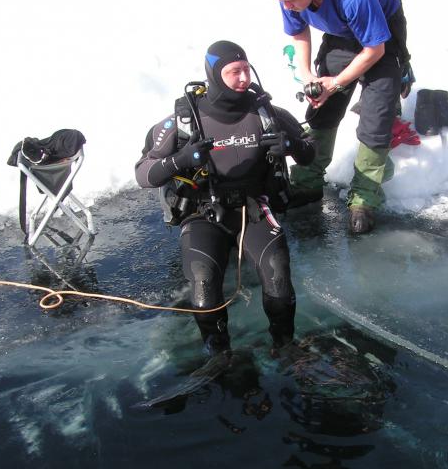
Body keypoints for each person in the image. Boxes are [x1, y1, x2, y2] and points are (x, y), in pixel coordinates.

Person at [135, 40, 315, 359]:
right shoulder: (183, 120)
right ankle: (220, 354)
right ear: (215, 75)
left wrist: (290, 145)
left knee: (279, 282)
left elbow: (308, 152)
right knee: (204, 291)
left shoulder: (266, 112)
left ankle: (285, 346)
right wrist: (181, 160)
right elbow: (144, 174)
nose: (243, 78)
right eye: (234, 72)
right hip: (204, 213)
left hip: (255, 207)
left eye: (246, 70)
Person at [267, 0, 413, 233]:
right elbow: (298, 32)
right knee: (322, 107)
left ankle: (364, 198)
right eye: (282, 2)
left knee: (376, 117)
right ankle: (307, 182)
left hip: (382, 33)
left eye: (291, 1)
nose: (286, 7)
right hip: (341, 32)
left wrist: (335, 83)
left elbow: (374, 50)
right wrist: (308, 73)